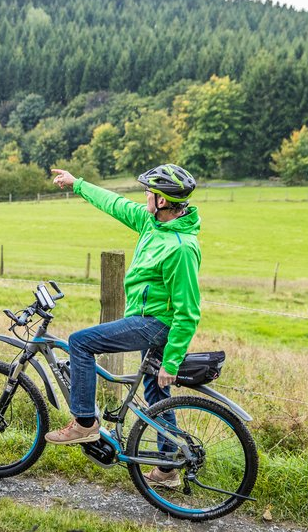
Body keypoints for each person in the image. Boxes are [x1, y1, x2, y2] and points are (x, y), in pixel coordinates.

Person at [45, 164, 201, 488]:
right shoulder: (150, 223)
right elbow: (114, 204)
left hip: (154, 324)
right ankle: (167, 468)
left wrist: (171, 360)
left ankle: (84, 422)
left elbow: (188, 311)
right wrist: (78, 184)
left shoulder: (180, 248)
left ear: (161, 201)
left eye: (149, 192)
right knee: (157, 393)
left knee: (80, 343)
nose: (144, 196)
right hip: (148, 319)